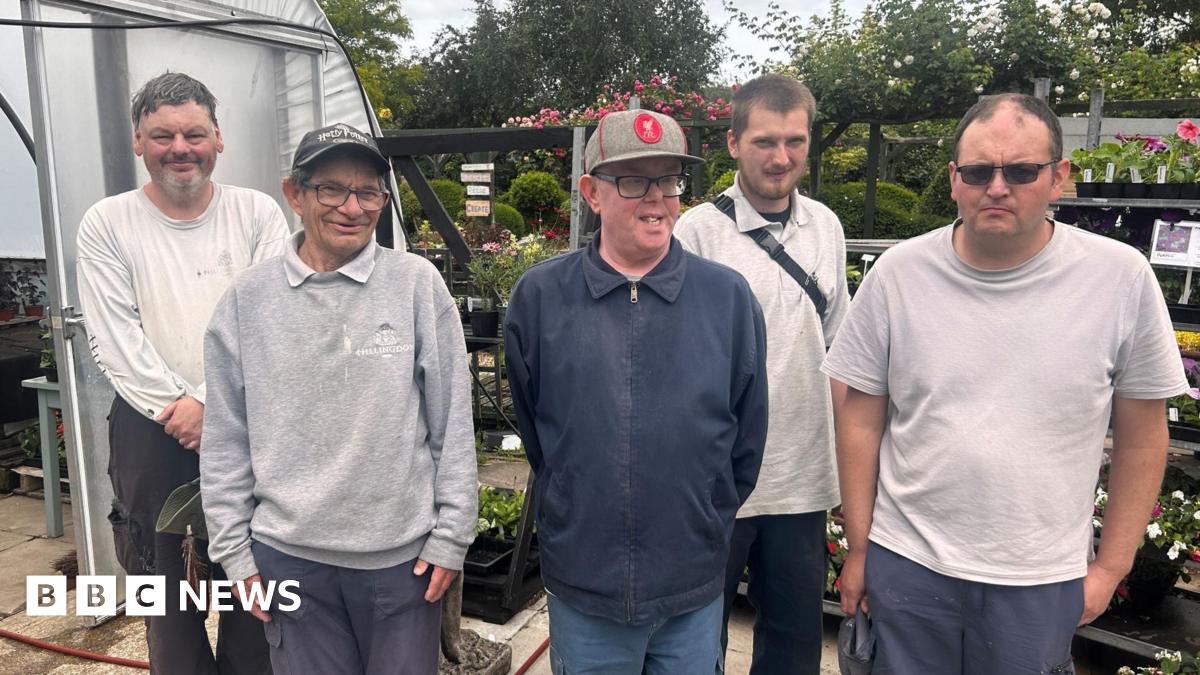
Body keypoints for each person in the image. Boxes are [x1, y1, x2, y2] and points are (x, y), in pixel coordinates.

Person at [823, 93, 1187, 674]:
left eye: (1020, 170)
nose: (998, 186)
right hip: (909, 563)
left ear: (1059, 177)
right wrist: (860, 549)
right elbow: (860, 417)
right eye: (978, 171)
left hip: (1037, 578)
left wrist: (1110, 570)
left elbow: (1144, 437)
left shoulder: (1119, 280)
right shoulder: (898, 275)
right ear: (954, 180)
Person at [200, 122, 478, 674]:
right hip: (289, 560)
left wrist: (452, 537)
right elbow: (227, 439)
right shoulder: (247, 302)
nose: (351, 207)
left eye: (368, 191)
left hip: (403, 564)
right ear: (295, 194)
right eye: (331, 189)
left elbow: (453, 423)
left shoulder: (417, 286)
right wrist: (235, 555)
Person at [504, 108, 770, 674]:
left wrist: (703, 518)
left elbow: (746, 443)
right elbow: (536, 432)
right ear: (591, 193)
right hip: (585, 586)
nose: (657, 199)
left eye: (668, 180)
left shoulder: (726, 299)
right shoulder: (540, 298)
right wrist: (571, 506)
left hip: (691, 586)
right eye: (633, 180)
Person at [76, 71, 287, 675]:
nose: (180, 148)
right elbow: (115, 338)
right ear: (138, 143)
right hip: (153, 429)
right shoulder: (108, 223)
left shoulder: (257, 214)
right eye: (162, 134)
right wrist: (183, 408)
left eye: (194, 133)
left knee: (258, 587)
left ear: (219, 139)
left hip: (249, 422)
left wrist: (211, 406)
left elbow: (267, 321)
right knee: (167, 594)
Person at [674, 73, 849, 674]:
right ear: (732, 143)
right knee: (698, 638)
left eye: (795, 141)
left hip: (801, 480)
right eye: (765, 142)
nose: (781, 158)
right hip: (715, 481)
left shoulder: (826, 227)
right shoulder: (694, 232)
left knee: (794, 642)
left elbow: (838, 350)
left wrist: (850, 479)